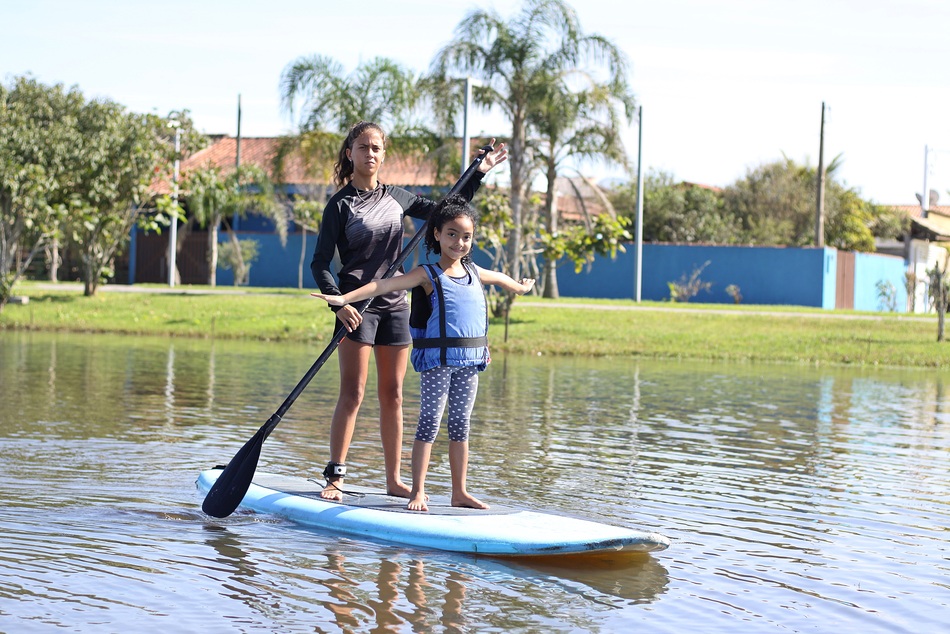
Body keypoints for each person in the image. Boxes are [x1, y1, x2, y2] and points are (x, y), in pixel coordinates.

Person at [311, 121, 508, 502]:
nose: (370, 153)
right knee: (353, 392)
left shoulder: (397, 197)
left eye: (376, 148)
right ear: (350, 153)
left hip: (395, 305)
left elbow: (446, 213)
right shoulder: (340, 205)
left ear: (383, 154)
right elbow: (320, 262)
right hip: (356, 306)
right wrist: (339, 302)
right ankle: (335, 477)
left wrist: (478, 174)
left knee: (394, 394)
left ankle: (394, 479)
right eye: (363, 147)